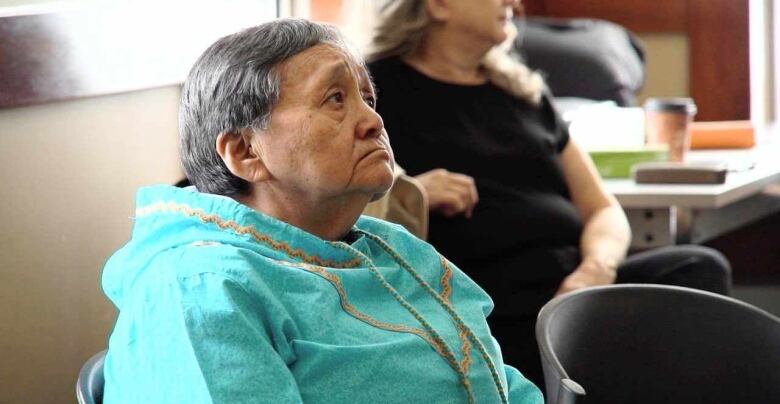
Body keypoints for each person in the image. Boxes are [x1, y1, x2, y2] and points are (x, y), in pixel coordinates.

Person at [101, 18, 542, 404]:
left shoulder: (395, 250)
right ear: (244, 151)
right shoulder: (198, 289)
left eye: (367, 98)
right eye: (335, 98)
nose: (373, 120)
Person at [367, 0, 731, 387]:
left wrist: (593, 271)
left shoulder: (524, 94)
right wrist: (416, 192)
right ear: (438, 5)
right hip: (486, 308)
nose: (513, 2)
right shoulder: (377, 92)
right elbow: (339, 203)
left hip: (571, 289)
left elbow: (603, 209)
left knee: (697, 268)